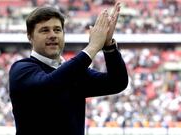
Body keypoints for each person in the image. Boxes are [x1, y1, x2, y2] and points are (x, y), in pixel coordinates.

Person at [9, 2, 128, 135]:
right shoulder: (21, 69)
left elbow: (117, 83)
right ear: (30, 37)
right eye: (44, 30)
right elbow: (50, 85)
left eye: (57, 30)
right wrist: (93, 47)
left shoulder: (74, 73)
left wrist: (108, 47)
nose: (53, 35)